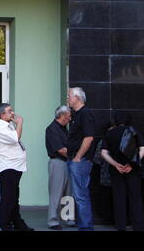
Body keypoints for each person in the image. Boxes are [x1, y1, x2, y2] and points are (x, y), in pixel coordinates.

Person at [101, 112, 144, 231]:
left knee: (119, 198)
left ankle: (121, 226)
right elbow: (142, 148)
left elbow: (103, 153)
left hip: (117, 171)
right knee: (135, 198)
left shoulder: (110, 133)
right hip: (133, 170)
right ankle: (138, 226)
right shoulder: (134, 130)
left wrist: (116, 165)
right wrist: (131, 164)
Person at [0, 103, 33, 231]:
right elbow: (16, 138)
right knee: (8, 199)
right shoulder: (0, 127)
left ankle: (18, 223)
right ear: (2, 114)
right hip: (8, 167)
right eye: (9, 111)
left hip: (14, 167)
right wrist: (20, 122)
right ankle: (5, 225)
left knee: (14, 198)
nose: (13, 113)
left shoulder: (7, 125)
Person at [66, 87, 95, 231]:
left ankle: (86, 228)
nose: (68, 98)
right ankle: (83, 226)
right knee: (79, 195)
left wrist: (78, 157)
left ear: (77, 97)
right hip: (74, 160)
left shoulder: (85, 113)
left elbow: (89, 138)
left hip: (80, 161)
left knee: (81, 196)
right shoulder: (76, 114)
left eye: (69, 96)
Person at [45, 105, 76, 230]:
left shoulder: (64, 129)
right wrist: (76, 155)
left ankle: (68, 219)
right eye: (69, 116)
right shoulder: (52, 129)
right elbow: (60, 150)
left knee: (69, 193)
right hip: (58, 162)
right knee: (56, 193)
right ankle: (53, 220)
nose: (70, 119)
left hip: (67, 162)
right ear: (62, 115)